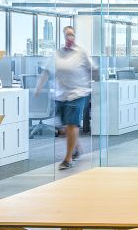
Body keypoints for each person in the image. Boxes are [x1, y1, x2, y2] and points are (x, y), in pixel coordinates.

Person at [35, 26, 94, 170]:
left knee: (71, 124)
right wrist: (38, 88)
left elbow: (92, 69)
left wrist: (94, 85)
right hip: (61, 94)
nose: (70, 37)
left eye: (72, 35)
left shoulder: (81, 52)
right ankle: (77, 148)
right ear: (63, 36)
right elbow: (47, 72)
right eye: (67, 35)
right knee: (66, 126)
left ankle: (67, 158)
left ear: (75, 36)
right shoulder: (57, 53)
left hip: (78, 92)